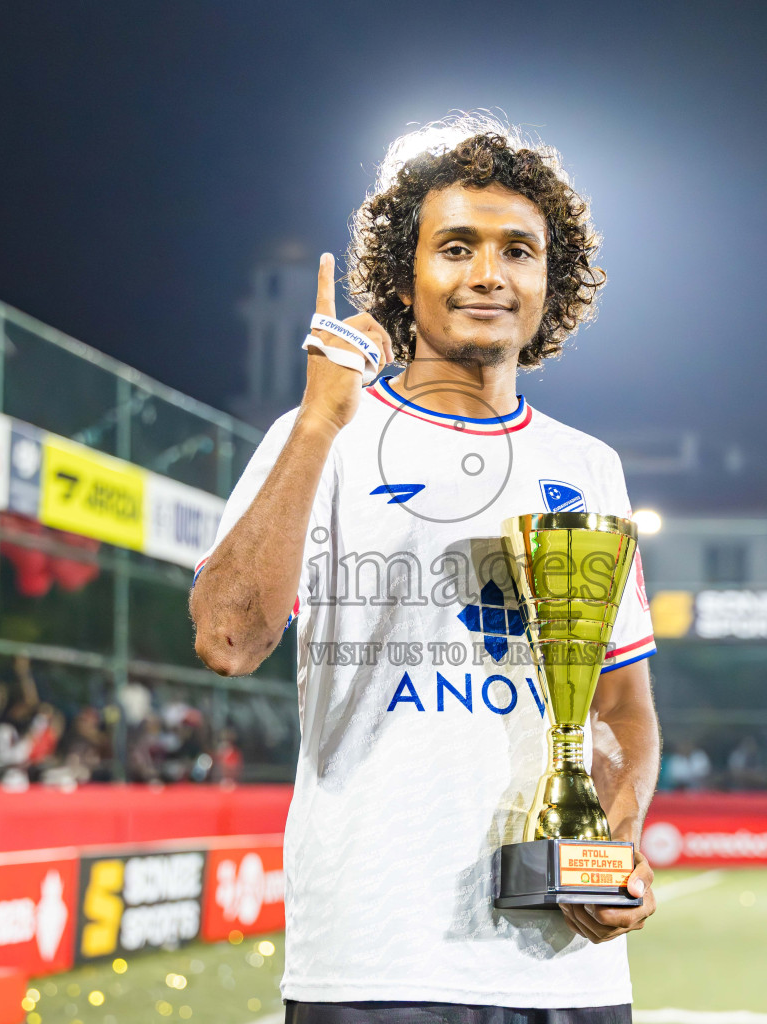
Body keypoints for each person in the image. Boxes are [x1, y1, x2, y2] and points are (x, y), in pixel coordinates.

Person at [190, 116, 659, 1021]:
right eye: (455, 247)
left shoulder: (589, 466)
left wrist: (616, 840)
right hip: (375, 958)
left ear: (550, 281)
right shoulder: (319, 436)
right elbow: (227, 640)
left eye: (517, 251)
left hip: (564, 962)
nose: (488, 273)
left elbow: (620, 704)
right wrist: (319, 421)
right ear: (404, 279)